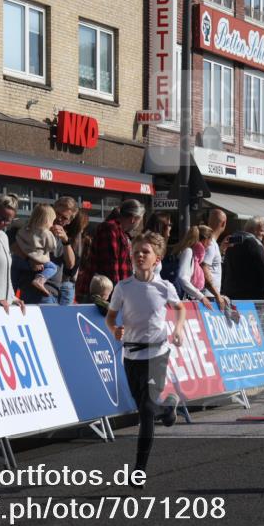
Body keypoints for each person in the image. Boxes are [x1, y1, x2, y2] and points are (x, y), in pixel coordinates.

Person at [105, 232, 185, 482]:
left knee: (147, 411)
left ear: (156, 258)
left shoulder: (164, 287)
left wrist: (178, 329)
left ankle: (139, 470)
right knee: (145, 408)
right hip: (131, 355)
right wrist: (114, 329)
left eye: (145, 252)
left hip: (157, 353)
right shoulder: (123, 287)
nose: (139, 255)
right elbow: (110, 317)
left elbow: (180, 308)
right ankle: (168, 408)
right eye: (136, 252)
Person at [77, 199, 144, 302]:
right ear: (133, 219)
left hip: (111, 292)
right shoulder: (110, 229)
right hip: (103, 293)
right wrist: (118, 295)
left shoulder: (122, 233)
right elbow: (111, 265)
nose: (138, 225)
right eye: (140, 220)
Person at [222, 216, 264, 300]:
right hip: (251, 295)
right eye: (262, 231)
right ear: (253, 229)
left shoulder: (233, 241)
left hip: (230, 293)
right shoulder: (254, 243)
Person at [15, 203, 59, 297]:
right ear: (48, 220)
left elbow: (15, 223)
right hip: (38, 260)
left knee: (14, 277)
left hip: (21, 258)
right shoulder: (46, 232)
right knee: (53, 267)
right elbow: (52, 247)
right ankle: (40, 280)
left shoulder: (26, 227)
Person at [165, 225, 212, 306]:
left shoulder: (191, 254)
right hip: (178, 299)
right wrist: (201, 296)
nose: (210, 244)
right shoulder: (188, 252)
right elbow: (182, 278)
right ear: (205, 240)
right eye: (210, 240)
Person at [60, 208, 89, 306]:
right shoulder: (77, 241)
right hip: (68, 282)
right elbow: (73, 266)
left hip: (61, 281)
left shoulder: (66, 237)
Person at [201, 208, 227, 299]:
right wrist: (217, 295)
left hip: (208, 295)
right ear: (224, 223)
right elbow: (204, 268)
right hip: (209, 296)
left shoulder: (211, 242)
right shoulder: (211, 244)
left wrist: (221, 250)